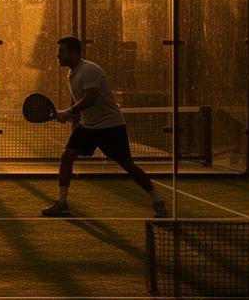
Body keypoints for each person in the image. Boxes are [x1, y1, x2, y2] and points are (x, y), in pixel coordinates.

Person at [40, 36, 168, 218]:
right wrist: (75, 116)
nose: (57, 55)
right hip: (88, 126)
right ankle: (62, 203)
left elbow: (92, 97)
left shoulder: (90, 70)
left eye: (62, 51)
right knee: (67, 157)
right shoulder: (72, 73)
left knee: (128, 165)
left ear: (74, 53)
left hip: (110, 125)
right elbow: (87, 103)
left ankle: (158, 201)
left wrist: (69, 112)